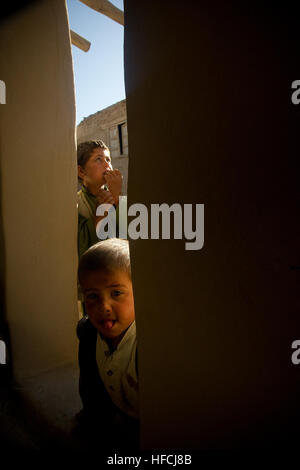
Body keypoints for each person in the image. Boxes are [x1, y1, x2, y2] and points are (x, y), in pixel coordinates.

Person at [75, 238, 139, 450]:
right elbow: (90, 386)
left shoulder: (147, 344)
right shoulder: (88, 334)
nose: (104, 306)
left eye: (116, 293)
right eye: (93, 296)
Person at [77, 140, 123, 259]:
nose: (107, 165)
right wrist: (99, 217)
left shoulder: (115, 196)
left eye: (108, 160)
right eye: (99, 159)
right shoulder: (76, 203)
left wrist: (117, 198)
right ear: (81, 171)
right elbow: (81, 244)